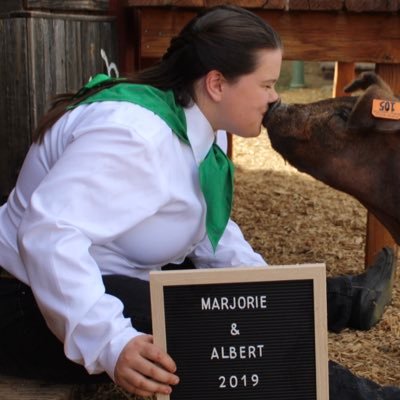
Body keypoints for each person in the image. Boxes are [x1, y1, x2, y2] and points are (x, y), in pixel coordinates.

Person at [0, 4, 397, 399]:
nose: (274, 98)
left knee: (239, 310)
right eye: (265, 84)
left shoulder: (198, 125)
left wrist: (268, 297)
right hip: (29, 300)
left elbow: (212, 235)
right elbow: (48, 234)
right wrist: (111, 341)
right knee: (215, 323)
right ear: (217, 84)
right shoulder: (136, 139)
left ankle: (343, 312)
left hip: (97, 276)